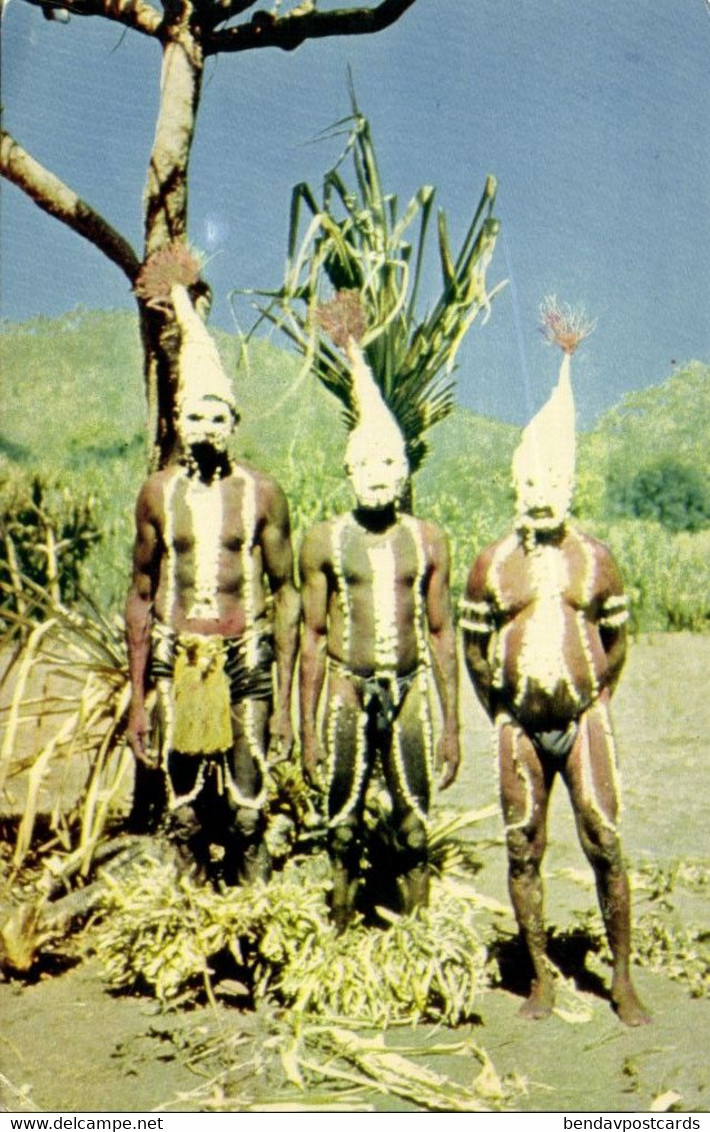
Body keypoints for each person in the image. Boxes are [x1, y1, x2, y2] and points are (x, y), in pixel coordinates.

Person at [461, 302, 650, 1025]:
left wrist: (594, 694)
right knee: (523, 847)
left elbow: (619, 641)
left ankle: (623, 978)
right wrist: (504, 711)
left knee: (604, 838)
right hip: (518, 727)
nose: (540, 492)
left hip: (583, 720)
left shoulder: (594, 559)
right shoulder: (493, 565)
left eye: (552, 481)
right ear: (517, 485)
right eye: (529, 481)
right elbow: (477, 654)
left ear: (568, 486)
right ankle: (539, 974)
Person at [125, 284, 300, 884]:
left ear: (234, 421)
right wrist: (138, 696)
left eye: (217, 416)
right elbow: (142, 594)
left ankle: (258, 927)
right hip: (181, 656)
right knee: (187, 816)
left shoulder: (261, 493)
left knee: (248, 812)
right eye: (195, 415)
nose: (205, 427)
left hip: (246, 652)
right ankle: (190, 929)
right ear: (177, 418)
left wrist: (284, 701)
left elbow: (288, 593)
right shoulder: (157, 494)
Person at [299, 326, 461, 931]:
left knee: (414, 822)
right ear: (348, 468)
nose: (380, 473)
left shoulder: (428, 539)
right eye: (368, 462)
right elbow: (313, 638)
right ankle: (339, 927)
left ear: (406, 468)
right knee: (340, 823)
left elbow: (442, 635)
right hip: (346, 684)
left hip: (410, 686)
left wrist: (452, 726)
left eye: (391, 461)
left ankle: (417, 937)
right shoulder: (326, 540)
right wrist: (307, 728)